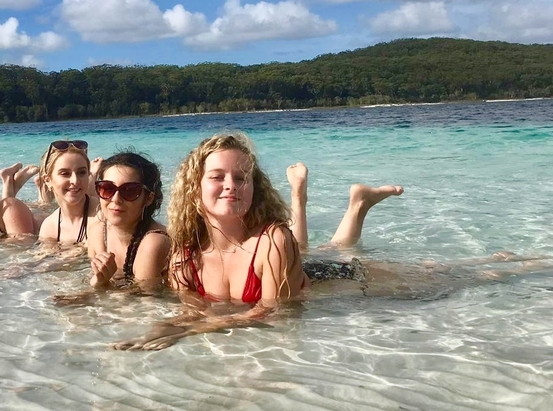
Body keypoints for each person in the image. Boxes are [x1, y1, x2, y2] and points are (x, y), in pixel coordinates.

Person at [116, 132, 402, 350]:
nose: (231, 185)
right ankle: (358, 204)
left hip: (338, 277)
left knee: (427, 282)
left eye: (241, 177)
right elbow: (192, 309)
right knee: (326, 249)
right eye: (217, 177)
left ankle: (357, 205)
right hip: (298, 268)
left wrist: (193, 330)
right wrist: (163, 327)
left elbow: (278, 311)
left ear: (254, 188)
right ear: (194, 189)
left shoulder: (273, 240)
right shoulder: (184, 251)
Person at [87, 152, 171, 290]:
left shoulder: (154, 243)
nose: (116, 199)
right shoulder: (98, 232)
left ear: (149, 198)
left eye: (130, 191)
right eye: (107, 188)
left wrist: (100, 284)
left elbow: (144, 303)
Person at [36, 140, 99, 244]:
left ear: (89, 175)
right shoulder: (50, 227)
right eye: (65, 173)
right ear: (48, 180)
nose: (75, 180)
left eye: (81, 172)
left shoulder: (103, 215)